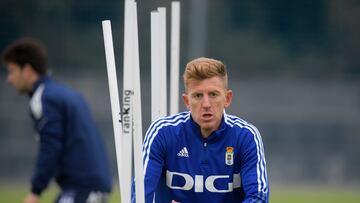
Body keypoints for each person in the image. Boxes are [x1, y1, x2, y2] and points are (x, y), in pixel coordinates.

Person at [140, 57, 269, 202]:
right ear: (187, 101)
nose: (206, 104)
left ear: (227, 98)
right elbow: (140, 195)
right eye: (197, 96)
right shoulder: (162, 132)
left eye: (213, 94)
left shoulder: (246, 136)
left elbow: (259, 198)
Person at [2, 38, 112, 203]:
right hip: (92, 184)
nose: (8, 79)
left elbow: (50, 146)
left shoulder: (45, 98)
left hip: (83, 187)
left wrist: (35, 191)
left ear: (27, 70)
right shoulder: (62, 93)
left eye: (11, 71)